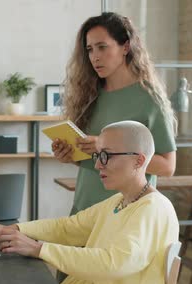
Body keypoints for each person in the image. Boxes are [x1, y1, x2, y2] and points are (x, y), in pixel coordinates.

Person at [0, 121, 179, 284]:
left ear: (138, 160)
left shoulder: (154, 208)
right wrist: (13, 230)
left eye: (106, 155)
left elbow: (114, 263)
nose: (98, 165)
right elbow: (68, 227)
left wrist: (38, 249)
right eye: (98, 156)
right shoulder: (119, 201)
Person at [52, 12, 177, 214]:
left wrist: (103, 149)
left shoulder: (150, 99)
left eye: (102, 47)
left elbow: (167, 167)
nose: (95, 57)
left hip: (125, 214)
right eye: (90, 50)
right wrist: (71, 155)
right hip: (84, 209)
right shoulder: (89, 95)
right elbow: (96, 161)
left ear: (125, 47)